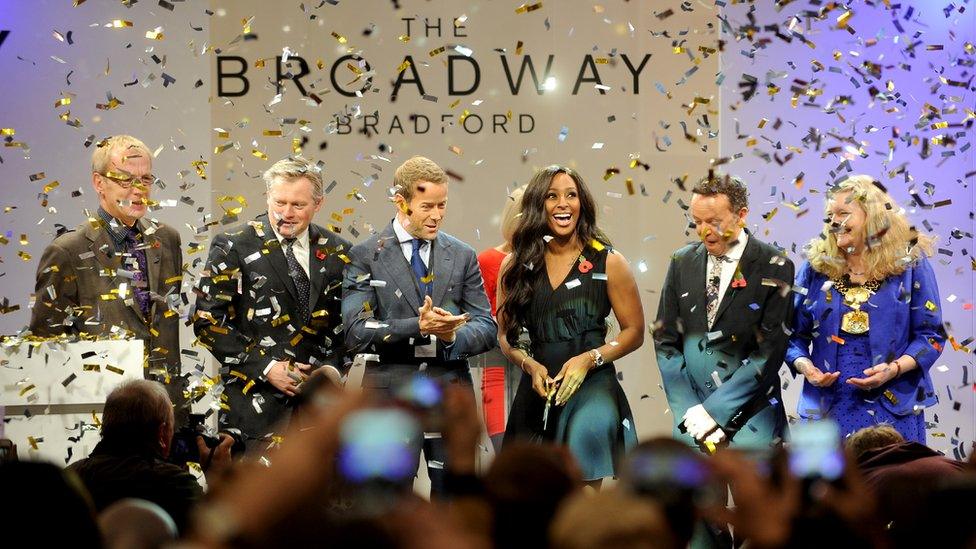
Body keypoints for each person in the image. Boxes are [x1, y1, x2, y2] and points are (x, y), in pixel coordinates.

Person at [341, 155, 496, 495]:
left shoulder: (462, 255)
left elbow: (487, 326)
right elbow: (354, 331)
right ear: (401, 201)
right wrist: (418, 326)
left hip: (450, 393)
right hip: (388, 395)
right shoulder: (366, 255)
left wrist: (453, 334)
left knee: (456, 502)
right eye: (427, 206)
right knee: (385, 507)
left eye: (442, 205)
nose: (437, 215)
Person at [497, 165, 644, 484]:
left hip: (592, 387)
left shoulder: (610, 261)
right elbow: (505, 338)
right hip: (539, 387)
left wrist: (588, 359)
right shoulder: (516, 266)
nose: (563, 203)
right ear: (538, 205)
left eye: (571, 195)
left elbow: (634, 332)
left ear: (583, 204)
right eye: (552, 196)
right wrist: (530, 366)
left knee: (581, 499)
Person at [193, 157, 352, 446]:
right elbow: (207, 322)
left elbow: (348, 324)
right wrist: (267, 367)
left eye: (298, 205)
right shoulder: (232, 245)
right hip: (253, 410)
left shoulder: (339, 251)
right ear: (267, 197)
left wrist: (327, 370)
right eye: (279, 202)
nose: (286, 213)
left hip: (323, 414)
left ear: (318, 204)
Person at [30, 135, 186, 423]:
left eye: (146, 179)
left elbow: (166, 333)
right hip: (100, 419)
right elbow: (45, 346)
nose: (139, 190)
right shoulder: (67, 251)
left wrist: (183, 419)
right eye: (125, 180)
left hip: (166, 416)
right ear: (98, 183)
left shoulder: (167, 240)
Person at [786, 175, 946, 443]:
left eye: (843, 213)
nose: (834, 221)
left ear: (872, 218)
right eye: (830, 214)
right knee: (823, 487)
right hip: (825, 408)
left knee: (891, 485)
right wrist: (806, 368)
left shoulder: (910, 265)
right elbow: (792, 336)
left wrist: (893, 370)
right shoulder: (815, 268)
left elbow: (931, 337)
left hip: (894, 407)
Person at [654, 173, 794, 451]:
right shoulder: (681, 262)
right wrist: (691, 411)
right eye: (697, 222)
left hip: (752, 426)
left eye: (714, 222)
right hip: (691, 427)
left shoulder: (775, 266)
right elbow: (665, 341)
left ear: (741, 215)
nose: (704, 231)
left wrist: (714, 412)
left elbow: (769, 352)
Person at [69, 379, 232, 534]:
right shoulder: (175, 485)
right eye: (171, 429)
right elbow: (223, 536)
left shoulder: (70, 479)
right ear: (161, 433)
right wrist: (220, 477)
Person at [476, 185, 526, 451]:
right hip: (498, 369)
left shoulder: (555, 261)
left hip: (546, 371)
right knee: (506, 455)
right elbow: (482, 322)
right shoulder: (488, 260)